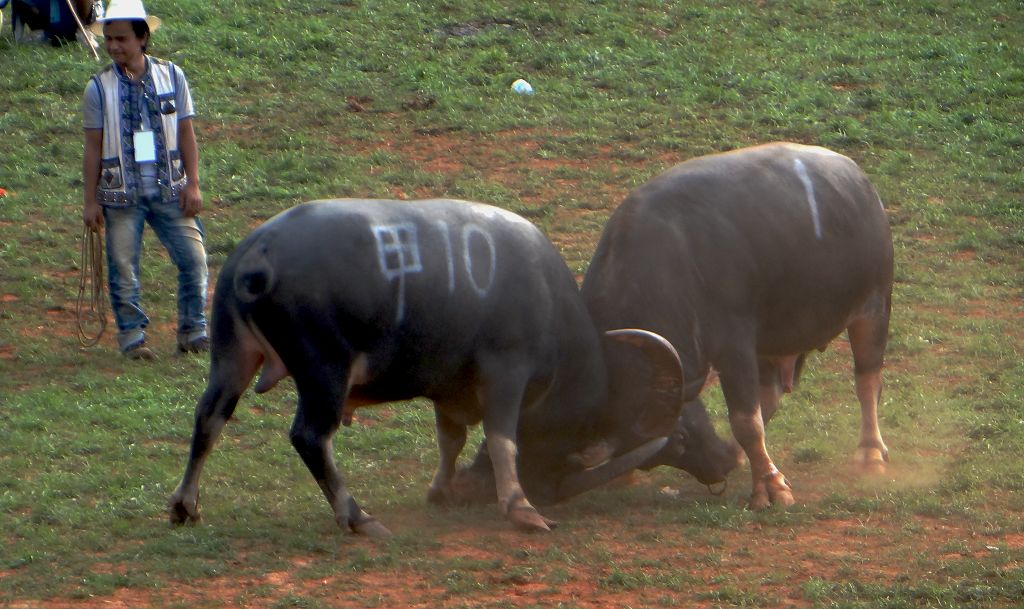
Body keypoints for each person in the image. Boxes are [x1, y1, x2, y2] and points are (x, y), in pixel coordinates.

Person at [81, 0, 208, 360]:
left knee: (194, 260)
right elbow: (92, 148)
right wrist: (90, 201)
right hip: (122, 194)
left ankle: (193, 329)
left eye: (121, 38)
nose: (114, 46)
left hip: (171, 188)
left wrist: (193, 183)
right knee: (123, 269)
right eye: (109, 39)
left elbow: (187, 134)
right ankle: (133, 338)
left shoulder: (173, 76)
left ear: (142, 38)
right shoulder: (97, 88)